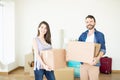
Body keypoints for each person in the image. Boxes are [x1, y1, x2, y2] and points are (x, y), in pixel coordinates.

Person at [78, 15, 106, 80]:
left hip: (94, 63)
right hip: (83, 64)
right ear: (85, 24)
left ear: (94, 22)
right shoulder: (82, 35)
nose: (89, 23)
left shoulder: (100, 35)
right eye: (87, 22)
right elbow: (79, 48)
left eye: (91, 21)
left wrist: (97, 58)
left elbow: (103, 49)